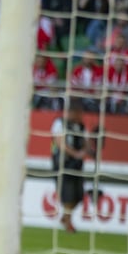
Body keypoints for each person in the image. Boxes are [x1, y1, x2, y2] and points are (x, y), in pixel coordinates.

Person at [51, 97, 88, 233]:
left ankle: (65, 218)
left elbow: (85, 144)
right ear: (72, 112)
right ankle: (68, 222)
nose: (81, 115)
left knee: (78, 195)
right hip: (62, 164)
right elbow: (60, 142)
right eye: (79, 112)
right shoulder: (59, 123)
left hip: (77, 165)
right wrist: (75, 154)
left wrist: (86, 151)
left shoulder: (81, 126)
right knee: (68, 194)